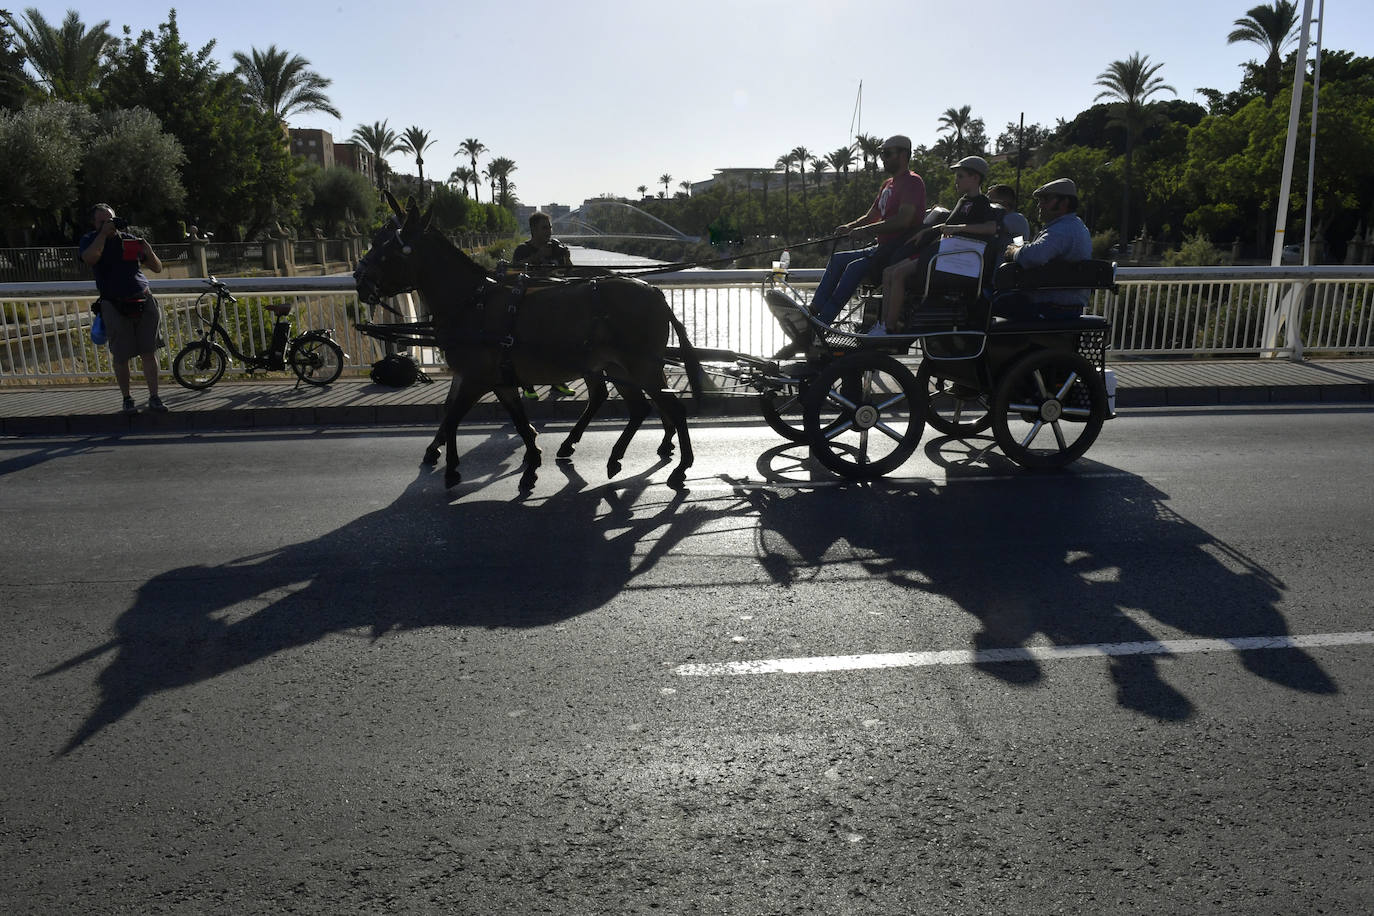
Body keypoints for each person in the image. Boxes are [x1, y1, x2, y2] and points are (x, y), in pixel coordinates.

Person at [868, 156, 997, 336]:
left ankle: (889, 327)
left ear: (975, 178)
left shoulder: (981, 202)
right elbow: (949, 224)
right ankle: (881, 324)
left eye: (960, 176)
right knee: (888, 272)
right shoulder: (963, 201)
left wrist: (959, 228)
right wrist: (927, 232)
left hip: (955, 256)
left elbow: (991, 227)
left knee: (898, 274)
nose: (956, 180)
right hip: (943, 251)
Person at [808, 135, 925, 324]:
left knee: (853, 268)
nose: (883, 158)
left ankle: (824, 321)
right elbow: (872, 216)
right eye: (882, 154)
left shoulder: (913, 182)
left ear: (903, 155)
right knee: (837, 259)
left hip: (897, 251)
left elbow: (904, 220)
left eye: (887, 154)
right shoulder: (887, 184)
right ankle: (813, 311)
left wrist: (866, 230)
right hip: (880, 248)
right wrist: (850, 227)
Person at [78, 204, 167, 414]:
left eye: (111, 220)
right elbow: (90, 258)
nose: (109, 225)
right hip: (114, 304)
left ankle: (154, 397)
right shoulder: (90, 240)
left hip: (143, 299)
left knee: (149, 352)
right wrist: (103, 234)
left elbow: (156, 267)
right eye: (102, 221)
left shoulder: (129, 240)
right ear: (94, 223)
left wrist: (149, 251)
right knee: (120, 356)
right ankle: (127, 399)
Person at [993, 177, 1093, 320]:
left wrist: (1014, 252)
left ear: (1064, 203)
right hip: (1068, 306)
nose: (1039, 205)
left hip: (1051, 307)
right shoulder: (1076, 226)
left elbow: (1035, 256)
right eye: (1039, 200)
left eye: (1045, 199)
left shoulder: (1063, 229)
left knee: (986, 304)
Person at [511, 212, 576, 399]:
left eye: (550, 227)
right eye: (544, 228)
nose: (549, 231)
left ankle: (557, 382)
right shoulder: (523, 249)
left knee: (559, 345)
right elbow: (513, 271)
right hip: (530, 309)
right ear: (533, 229)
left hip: (556, 307)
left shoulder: (555, 248)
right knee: (528, 347)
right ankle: (527, 385)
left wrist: (567, 258)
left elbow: (569, 272)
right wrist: (537, 257)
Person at [988, 184, 1030, 256]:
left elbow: (991, 228)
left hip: (1006, 261)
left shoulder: (1016, 218)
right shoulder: (1001, 218)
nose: (987, 204)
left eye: (990, 201)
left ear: (1003, 202)